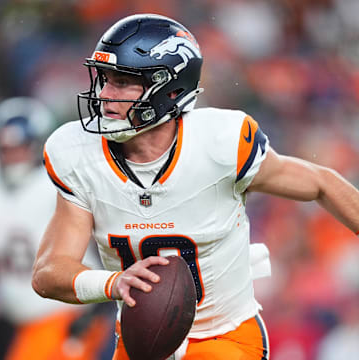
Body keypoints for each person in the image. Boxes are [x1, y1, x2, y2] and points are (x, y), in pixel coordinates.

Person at [31, 14, 359, 360]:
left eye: (123, 82)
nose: (105, 96)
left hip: (225, 337)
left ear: (170, 90)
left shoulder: (220, 144)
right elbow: (48, 273)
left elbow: (322, 183)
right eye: (105, 80)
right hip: (141, 341)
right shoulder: (78, 154)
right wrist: (112, 283)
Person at [0, 97, 111, 360]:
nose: (13, 156)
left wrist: (98, 309)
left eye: (20, 147)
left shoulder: (56, 185)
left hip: (67, 314)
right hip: (17, 321)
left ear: (37, 144)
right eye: (6, 149)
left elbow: (105, 241)